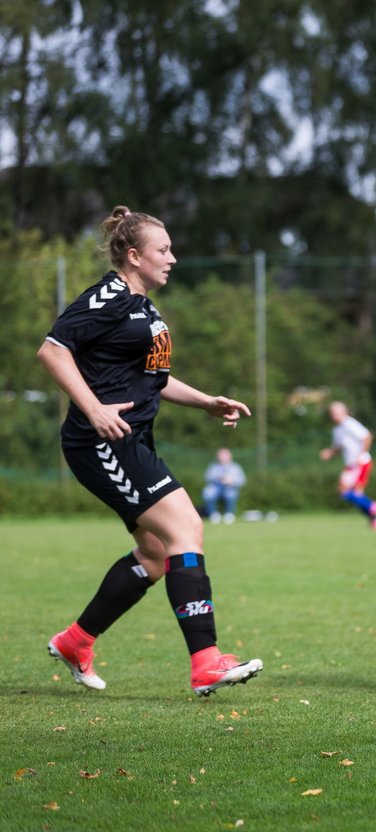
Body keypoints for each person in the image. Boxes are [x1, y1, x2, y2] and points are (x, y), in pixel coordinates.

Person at [38, 206, 263, 696]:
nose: (173, 258)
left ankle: (76, 642)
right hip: (102, 440)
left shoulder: (144, 307)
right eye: (163, 250)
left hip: (132, 438)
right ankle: (205, 661)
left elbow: (152, 381)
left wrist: (205, 402)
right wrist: (94, 408)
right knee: (186, 529)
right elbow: (53, 350)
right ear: (134, 255)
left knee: (158, 554)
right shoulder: (111, 296)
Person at [320, 401, 376, 529]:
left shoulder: (349, 424)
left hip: (360, 463)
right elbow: (339, 447)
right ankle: (375, 519)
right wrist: (330, 453)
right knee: (355, 495)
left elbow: (367, 436)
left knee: (344, 491)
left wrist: (362, 454)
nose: (335, 416)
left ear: (344, 412)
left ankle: (371, 506)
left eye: (337, 413)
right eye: (332, 413)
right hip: (351, 465)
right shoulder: (337, 430)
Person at [202, 447, 246, 523]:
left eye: (224, 455)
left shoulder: (236, 467)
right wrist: (217, 477)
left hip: (230, 487)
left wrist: (232, 481)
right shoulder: (213, 466)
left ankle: (229, 514)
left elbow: (242, 480)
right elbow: (206, 477)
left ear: (230, 456)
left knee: (231, 494)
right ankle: (213, 514)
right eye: (221, 455)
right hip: (216, 487)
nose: (222, 457)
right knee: (207, 492)